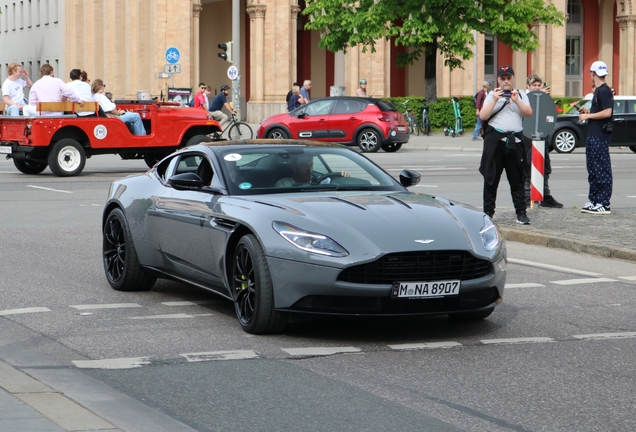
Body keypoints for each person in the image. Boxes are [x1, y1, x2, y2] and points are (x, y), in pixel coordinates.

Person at [478, 65, 533, 224]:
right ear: (498, 80)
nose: (506, 81)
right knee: (491, 179)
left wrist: (516, 101)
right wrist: (495, 98)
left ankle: (521, 213)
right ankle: (488, 213)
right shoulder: (491, 94)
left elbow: (528, 112)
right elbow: (483, 115)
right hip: (496, 142)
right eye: (503, 78)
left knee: (517, 180)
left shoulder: (521, 94)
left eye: (509, 78)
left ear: (513, 79)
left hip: (515, 142)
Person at [578, 61, 614, 214]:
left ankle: (603, 202)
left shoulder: (604, 91)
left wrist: (588, 116)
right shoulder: (599, 91)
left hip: (599, 136)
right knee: (593, 169)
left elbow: (607, 113)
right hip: (594, 134)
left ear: (592, 74)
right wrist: (588, 112)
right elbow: (601, 111)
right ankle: (594, 200)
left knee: (601, 169)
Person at [522, 74, 563, 208]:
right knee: (528, 167)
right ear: (528, 86)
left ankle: (545, 195)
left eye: (539, 85)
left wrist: (546, 99)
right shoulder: (524, 98)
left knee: (545, 167)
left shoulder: (542, 98)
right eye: (534, 85)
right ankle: (527, 196)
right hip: (527, 137)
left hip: (541, 136)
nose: (537, 88)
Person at [274, 154, 350, 187]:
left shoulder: (321, 181)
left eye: (311, 165)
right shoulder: (284, 185)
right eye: (304, 166)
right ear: (294, 168)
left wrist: (345, 180)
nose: (309, 170)